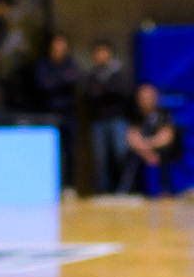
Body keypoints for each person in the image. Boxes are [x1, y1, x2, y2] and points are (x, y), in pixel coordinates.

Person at [83, 41, 134, 194]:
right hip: (98, 121)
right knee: (101, 159)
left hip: (118, 119)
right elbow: (89, 95)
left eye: (104, 52)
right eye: (98, 52)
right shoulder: (92, 74)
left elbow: (123, 92)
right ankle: (104, 191)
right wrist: (108, 92)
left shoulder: (119, 72)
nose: (101, 55)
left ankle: (123, 189)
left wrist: (102, 92)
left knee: (120, 154)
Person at [33, 32, 79, 195]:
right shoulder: (43, 64)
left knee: (70, 151)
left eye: (62, 46)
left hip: (69, 113)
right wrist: (62, 80)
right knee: (52, 152)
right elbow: (44, 85)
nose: (60, 49)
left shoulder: (70, 63)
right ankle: (53, 186)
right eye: (57, 46)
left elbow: (75, 80)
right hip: (50, 115)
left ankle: (69, 186)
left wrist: (56, 81)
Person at [122, 82, 181, 197]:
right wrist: (146, 153)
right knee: (129, 154)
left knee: (165, 153)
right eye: (142, 97)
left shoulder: (164, 114)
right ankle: (127, 191)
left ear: (155, 97)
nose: (145, 100)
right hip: (144, 151)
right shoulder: (136, 115)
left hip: (161, 150)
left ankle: (165, 190)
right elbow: (132, 137)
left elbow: (166, 137)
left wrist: (149, 146)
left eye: (147, 97)